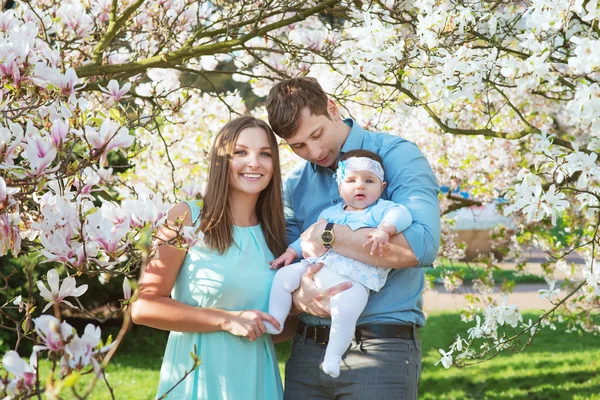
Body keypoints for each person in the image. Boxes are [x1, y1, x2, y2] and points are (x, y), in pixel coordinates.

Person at [265, 77, 441, 400]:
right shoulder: (294, 186)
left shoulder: (397, 156)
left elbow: (422, 245)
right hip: (306, 353)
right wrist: (299, 299)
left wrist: (329, 235)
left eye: (316, 134)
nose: (314, 151)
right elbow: (291, 263)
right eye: (298, 146)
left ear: (332, 108)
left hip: (380, 351)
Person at [131, 116, 288, 400]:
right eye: (240, 152)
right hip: (199, 378)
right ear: (220, 161)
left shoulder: (278, 232)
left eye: (265, 154)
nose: (254, 162)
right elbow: (143, 307)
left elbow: (278, 323)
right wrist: (226, 320)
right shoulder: (186, 218)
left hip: (258, 380)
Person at [265, 150, 413, 378]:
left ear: (382, 187)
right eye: (351, 180)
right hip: (319, 267)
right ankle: (275, 319)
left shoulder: (382, 210)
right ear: (340, 187)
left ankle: (333, 356)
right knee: (284, 277)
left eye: (369, 181)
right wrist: (290, 252)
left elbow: (402, 214)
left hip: (354, 280)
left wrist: (385, 230)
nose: (360, 186)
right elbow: (307, 235)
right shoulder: (330, 212)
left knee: (346, 311)